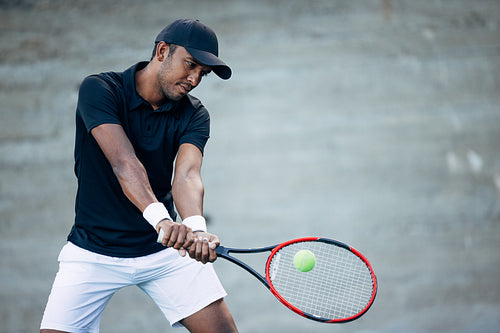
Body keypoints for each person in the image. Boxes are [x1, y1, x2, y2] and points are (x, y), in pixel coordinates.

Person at [40, 19, 238, 333]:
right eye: (190, 65)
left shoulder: (195, 114)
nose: (195, 79)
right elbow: (124, 163)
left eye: (203, 73)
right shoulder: (101, 89)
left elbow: (187, 174)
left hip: (165, 251)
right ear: (162, 51)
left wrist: (195, 228)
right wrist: (161, 220)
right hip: (92, 251)